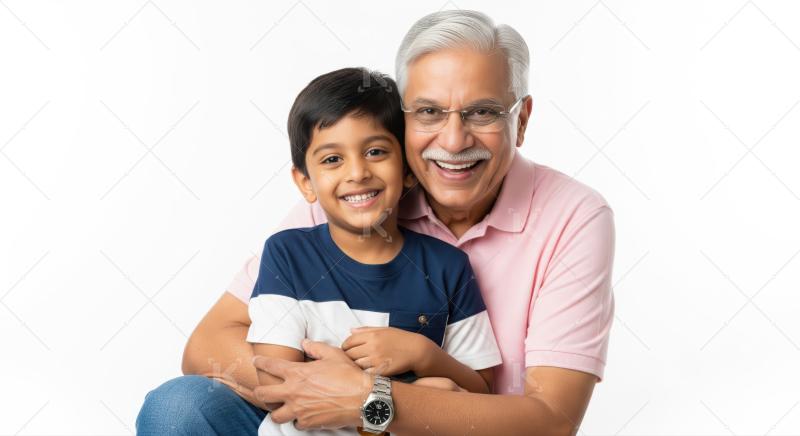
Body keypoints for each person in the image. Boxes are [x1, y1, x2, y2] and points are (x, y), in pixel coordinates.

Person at [137, 10, 615, 436]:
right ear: (402, 119)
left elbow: (552, 420)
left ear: (522, 119)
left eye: (483, 112)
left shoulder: (575, 217)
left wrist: (370, 400)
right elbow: (207, 345)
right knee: (181, 409)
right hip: (316, 426)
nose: (452, 139)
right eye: (428, 111)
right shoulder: (357, 196)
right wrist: (323, 391)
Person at [247, 67, 501, 435]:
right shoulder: (289, 255)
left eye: (376, 151)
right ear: (306, 182)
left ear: (409, 169)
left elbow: (479, 395)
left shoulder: (448, 268)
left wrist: (424, 355)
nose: (357, 172)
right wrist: (383, 400)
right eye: (333, 159)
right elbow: (277, 389)